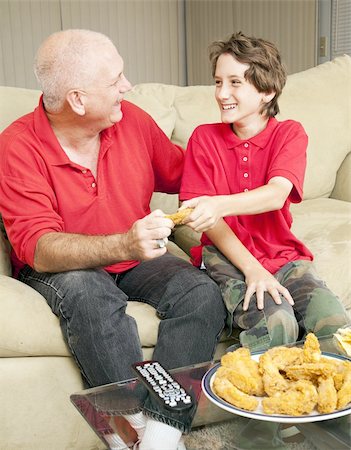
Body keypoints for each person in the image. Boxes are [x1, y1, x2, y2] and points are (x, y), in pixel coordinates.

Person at [0, 29, 226, 450]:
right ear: (78, 99)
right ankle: (129, 421)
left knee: (200, 291)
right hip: (67, 266)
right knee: (90, 294)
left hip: (134, 254)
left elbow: (186, 172)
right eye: (115, 79)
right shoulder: (17, 147)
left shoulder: (131, 122)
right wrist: (125, 244)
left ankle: (160, 430)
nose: (128, 86)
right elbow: (39, 246)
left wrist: (246, 142)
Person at [179, 31, 349, 352]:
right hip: (226, 257)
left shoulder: (289, 134)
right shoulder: (204, 138)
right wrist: (253, 270)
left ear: (267, 91)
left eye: (234, 82)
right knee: (277, 324)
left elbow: (275, 194)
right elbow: (211, 224)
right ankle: (238, 392)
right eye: (218, 82)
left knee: (335, 326)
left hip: (283, 254)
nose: (221, 93)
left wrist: (217, 204)